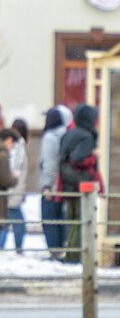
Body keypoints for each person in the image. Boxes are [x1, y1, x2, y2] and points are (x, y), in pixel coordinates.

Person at [58, 104, 100, 264]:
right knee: (81, 221)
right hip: (81, 184)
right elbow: (78, 158)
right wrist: (94, 156)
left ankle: (70, 254)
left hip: (68, 182)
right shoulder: (86, 136)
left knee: (73, 220)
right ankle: (75, 257)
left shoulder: (69, 133)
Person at [39, 106, 72, 260]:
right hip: (65, 183)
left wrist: (46, 186)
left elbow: (49, 163)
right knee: (62, 218)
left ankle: (55, 251)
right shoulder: (67, 135)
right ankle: (63, 249)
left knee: (50, 218)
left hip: (53, 185)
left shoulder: (50, 137)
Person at [2, 118, 29, 251]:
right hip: (15, 187)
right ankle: (17, 246)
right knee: (16, 220)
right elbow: (16, 168)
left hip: (13, 187)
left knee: (6, 218)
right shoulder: (20, 144)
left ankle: (0, 245)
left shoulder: (16, 144)